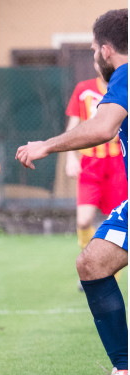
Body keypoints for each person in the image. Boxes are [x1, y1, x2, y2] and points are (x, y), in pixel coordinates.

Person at [16, 8, 127, 375]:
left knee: (91, 264)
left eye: (95, 48)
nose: (95, 54)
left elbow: (102, 127)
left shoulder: (126, 76)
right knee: (92, 263)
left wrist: (45, 145)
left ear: (107, 50)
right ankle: (124, 373)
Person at [64, 72, 127, 289]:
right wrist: (70, 157)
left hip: (118, 164)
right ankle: (91, 262)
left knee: (115, 225)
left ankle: (108, 277)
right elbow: (73, 125)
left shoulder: (123, 86)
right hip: (90, 164)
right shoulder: (83, 89)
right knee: (83, 220)